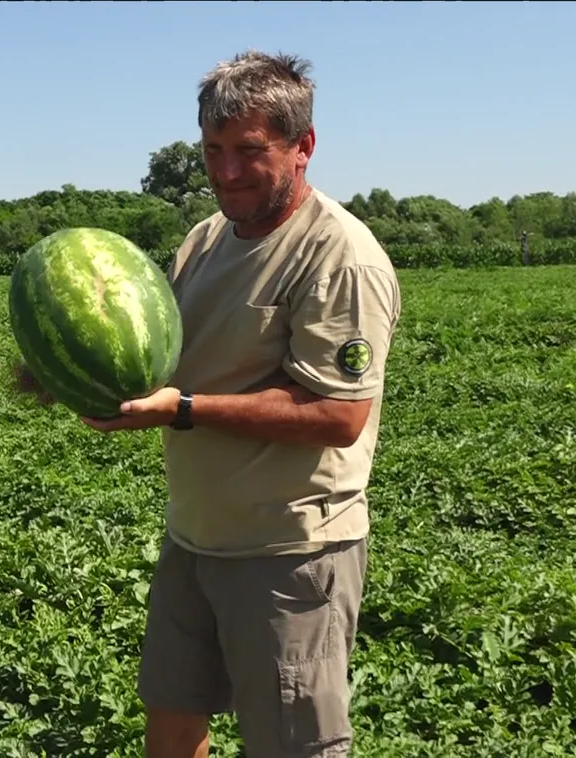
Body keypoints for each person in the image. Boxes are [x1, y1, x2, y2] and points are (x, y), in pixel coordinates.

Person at [21, 51, 401, 756]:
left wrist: (182, 410)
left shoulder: (337, 256)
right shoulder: (205, 238)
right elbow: (155, 347)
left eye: (249, 152)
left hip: (288, 551)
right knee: (170, 719)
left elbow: (337, 416)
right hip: (196, 536)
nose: (224, 172)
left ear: (303, 146)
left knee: (291, 744)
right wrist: (58, 365)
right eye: (212, 151)